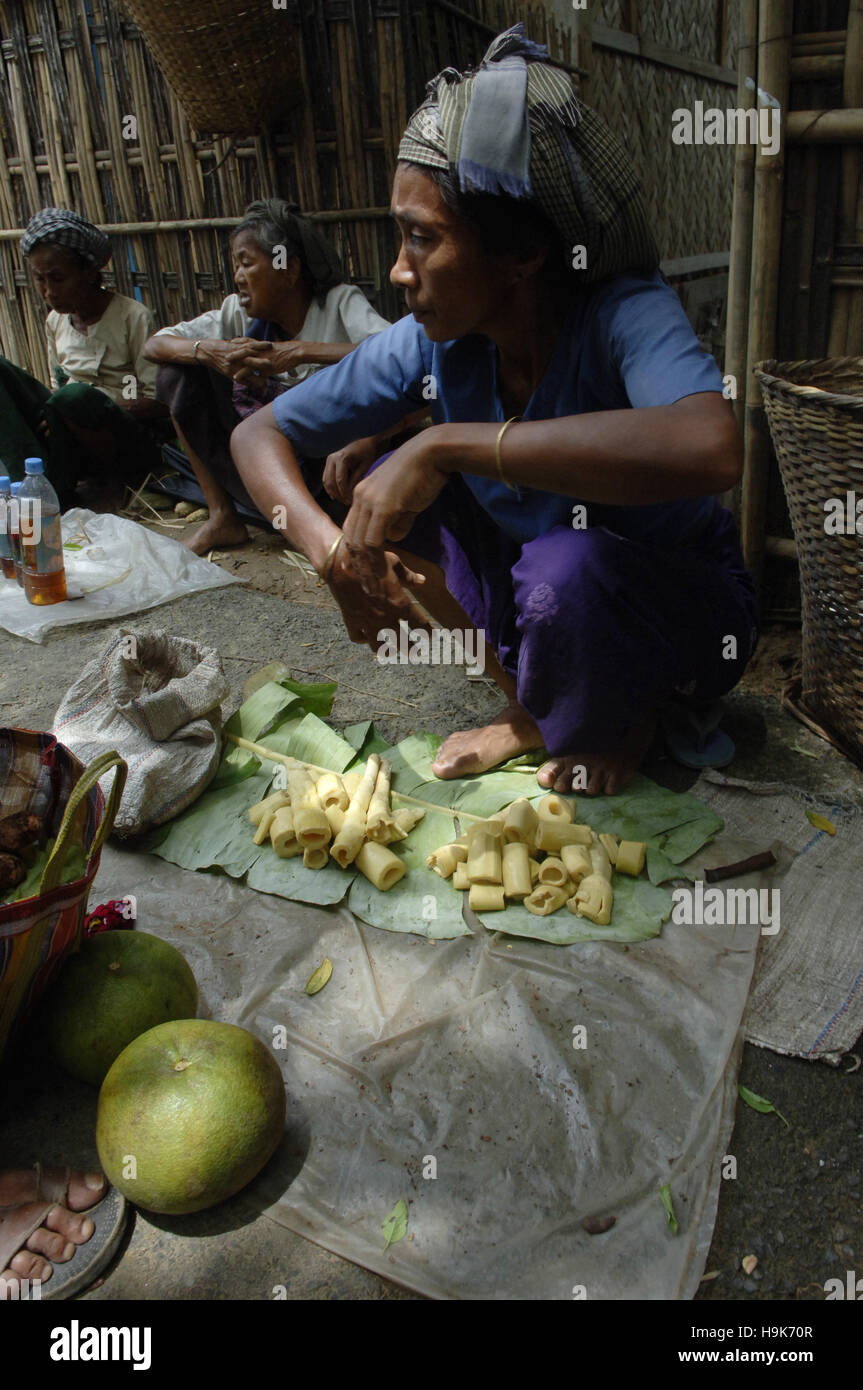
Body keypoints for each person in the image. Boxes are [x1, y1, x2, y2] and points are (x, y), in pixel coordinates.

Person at [231, 25, 758, 798]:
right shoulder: (436, 342)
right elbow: (257, 433)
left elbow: (711, 447)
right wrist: (328, 552)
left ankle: (618, 714)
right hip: (552, 605)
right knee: (387, 486)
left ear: (523, 256)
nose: (396, 270)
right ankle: (533, 707)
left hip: (685, 621)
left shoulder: (622, 312)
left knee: (563, 561)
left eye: (422, 239)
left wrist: (448, 442)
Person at [143, 199, 393, 554]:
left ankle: (323, 526)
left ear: (288, 270)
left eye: (246, 263)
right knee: (177, 372)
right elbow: (154, 345)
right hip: (262, 468)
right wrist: (210, 351)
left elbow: (397, 354)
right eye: (236, 265)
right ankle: (222, 518)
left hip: (333, 471)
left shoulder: (338, 304)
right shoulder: (237, 314)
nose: (238, 276)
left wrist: (301, 350)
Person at [0, 208, 167, 509]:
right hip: (68, 427)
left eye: (58, 278)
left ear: (89, 272)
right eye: (39, 279)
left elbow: (157, 401)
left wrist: (82, 403)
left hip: (123, 435)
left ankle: (114, 481)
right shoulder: (55, 321)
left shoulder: (132, 317)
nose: (48, 291)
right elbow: (56, 383)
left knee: (74, 396)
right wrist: (58, 410)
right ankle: (32, 489)